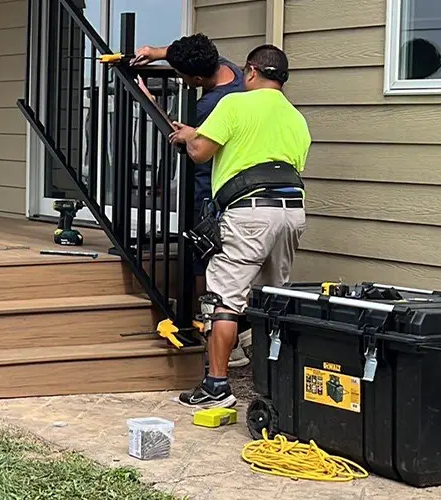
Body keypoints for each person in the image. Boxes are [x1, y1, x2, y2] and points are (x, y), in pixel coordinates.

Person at [167, 44, 311, 409]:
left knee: (224, 302)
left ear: (250, 71)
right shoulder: (297, 118)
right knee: (274, 299)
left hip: (249, 213)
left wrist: (189, 136)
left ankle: (216, 386)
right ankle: (279, 385)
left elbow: (200, 152)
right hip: (292, 211)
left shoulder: (232, 103)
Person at [132, 33, 252, 367]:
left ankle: (211, 331)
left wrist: (150, 103)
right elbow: (193, 53)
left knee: (205, 257)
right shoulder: (233, 72)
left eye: (184, 76)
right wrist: (158, 52)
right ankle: (235, 330)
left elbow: (188, 143)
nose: (183, 80)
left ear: (196, 79)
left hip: (212, 185)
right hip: (245, 191)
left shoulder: (211, 105)